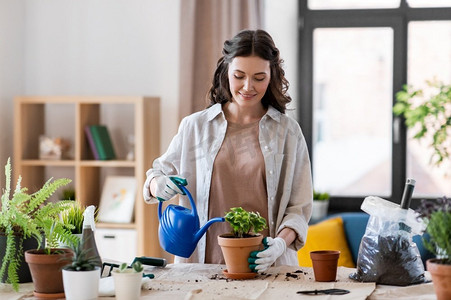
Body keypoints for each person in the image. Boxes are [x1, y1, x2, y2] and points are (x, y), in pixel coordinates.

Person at [143, 29, 312, 272]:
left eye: (259, 77)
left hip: (265, 263)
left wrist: (279, 245)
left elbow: (299, 207)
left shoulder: (287, 132)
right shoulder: (196, 127)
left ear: (272, 76)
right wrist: (157, 184)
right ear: (226, 72)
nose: (248, 86)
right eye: (239, 75)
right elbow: (156, 174)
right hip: (201, 264)